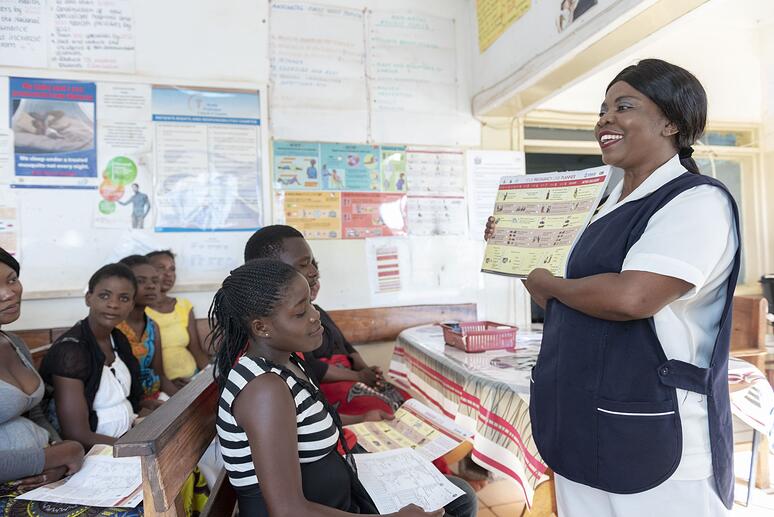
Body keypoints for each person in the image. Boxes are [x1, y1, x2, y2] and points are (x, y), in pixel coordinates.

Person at [485, 59, 739, 515]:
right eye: (602, 109)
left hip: (655, 424)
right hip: (580, 413)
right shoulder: (598, 207)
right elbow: (554, 298)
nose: (604, 119)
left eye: (623, 106)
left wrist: (553, 283)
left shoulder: (696, 200)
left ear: (671, 122)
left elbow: (631, 297)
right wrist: (519, 252)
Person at [212, 258, 474, 516]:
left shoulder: (287, 363)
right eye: (301, 312)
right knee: (456, 504)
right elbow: (287, 510)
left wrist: (362, 419)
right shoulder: (264, 389)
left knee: (458, 497)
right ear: (261, 327)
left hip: (339, 500)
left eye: (312, 305)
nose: (315, 317)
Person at [244, 225, 409, 416]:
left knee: (405, 402)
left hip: (346, 384)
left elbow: (345, 346)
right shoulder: (278, 330)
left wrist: (366, 371)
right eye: (304, 264)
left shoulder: (314, 311)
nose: (314, 272)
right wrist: (359, 376)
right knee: (384, 409)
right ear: (271, 271)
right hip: (328, 388)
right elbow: (309, 368)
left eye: (313, 263)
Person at [0, 247, 85, 487]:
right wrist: (60, 454)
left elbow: (35, 413)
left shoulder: (14, 343)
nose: (9, 293)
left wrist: (58, 459)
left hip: (45, 478)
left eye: (12, 280)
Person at [40, 263, 150, 447]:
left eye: (123, 298)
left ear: (131, 305)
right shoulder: (71, 351)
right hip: (95, 452)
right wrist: (133, 448)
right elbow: (76, 434)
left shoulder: (118, 339)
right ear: (88, 298)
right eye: (104, 295)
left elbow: (129, 399)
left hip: (127, 436)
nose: (113, 304)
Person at [116, 255, 178, 400]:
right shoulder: (114, 327)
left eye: (155, 281)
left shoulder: (152, 327)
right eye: (140, 281)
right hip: (126, 405)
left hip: (154, 398)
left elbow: (160, 375)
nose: (151, 286)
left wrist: (184, 402)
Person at [146, 250, 210, 385]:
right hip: (160, 384)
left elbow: (196, 349)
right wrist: (167, 384)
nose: (168, 274)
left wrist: (210, 376)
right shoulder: (140, 310)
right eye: (161, 268)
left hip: (193, 378)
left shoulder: (183, 305)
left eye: (172, 269)